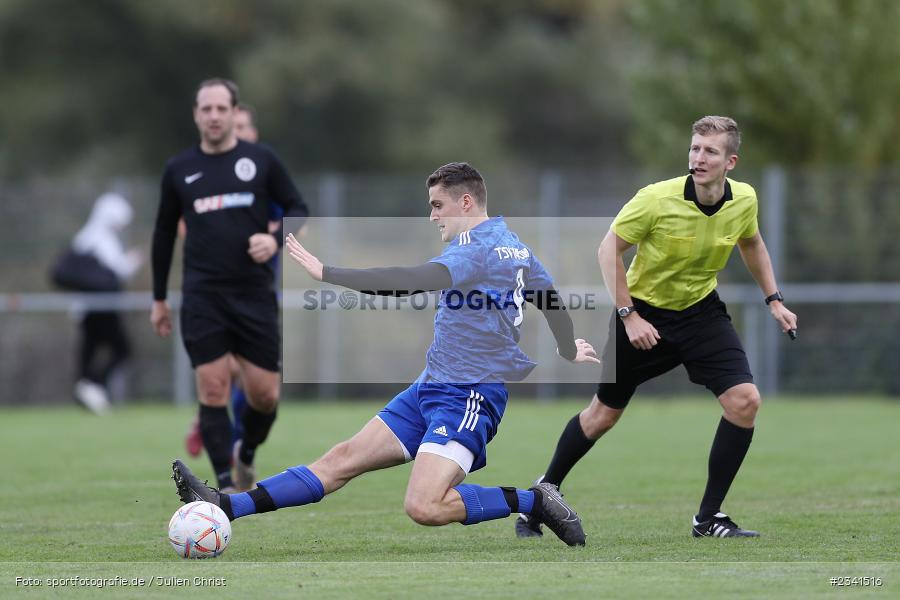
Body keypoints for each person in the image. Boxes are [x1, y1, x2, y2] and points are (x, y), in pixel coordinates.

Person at [172, 162, 600, 546]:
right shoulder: (514, 246)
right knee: (339, 461)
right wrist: (567, 347)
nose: (432, 215)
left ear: (466, 202)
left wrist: (329, 273)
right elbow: (549, 298)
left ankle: (534, 499)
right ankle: (226, 506)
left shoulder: (477, 249)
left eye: (437, 205)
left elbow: (410, 280)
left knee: (425, 506)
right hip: (431, 387)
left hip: (469, 396)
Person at [515, 116, 798, 539]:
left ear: (731, 161)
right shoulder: (655, 199)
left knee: (745, 402)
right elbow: (607, 248)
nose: (698, 158)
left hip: (702, 313)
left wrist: (773, 299)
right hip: (643, 313)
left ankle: (708, 519)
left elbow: (751, 241)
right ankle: (540, 497)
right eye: (695, 148)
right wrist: (630, 315)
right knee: (602, 416)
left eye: (710, 151)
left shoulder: (744, 199)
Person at [151, 78, 308, 493]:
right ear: (196, 115)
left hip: (254, 295)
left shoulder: (261, 161)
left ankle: (246, 454)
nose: (214, 116)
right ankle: (221, 488)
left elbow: (298, 206)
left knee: (265, 396)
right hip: (203, 295)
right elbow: (164, 233)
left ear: (233, 113)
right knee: (214, 385)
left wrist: (273, 239)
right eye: (207, 109)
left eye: (222, 109)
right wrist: (159, 298)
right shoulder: (179, 169)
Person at [182, 101, 283, 459]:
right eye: (232, 127)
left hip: (258, 291)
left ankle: (238, 441)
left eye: (242, 128)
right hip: (215, 293)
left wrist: (268, 235)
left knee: (259, 385)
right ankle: (226, 451)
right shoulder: (203, 176)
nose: (235, 134)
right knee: (227, 369)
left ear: (253, 134)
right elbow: (181, 222)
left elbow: (289, 217)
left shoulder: (262, 175)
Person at [63, 192, 142, 414]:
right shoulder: (100, 240)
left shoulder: (85, 237)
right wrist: (133, 262)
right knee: (121, 348)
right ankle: (93, 385)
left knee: (90, 348)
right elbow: (114, 274)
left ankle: (87, 387)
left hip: (89, 307)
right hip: (99, 307)